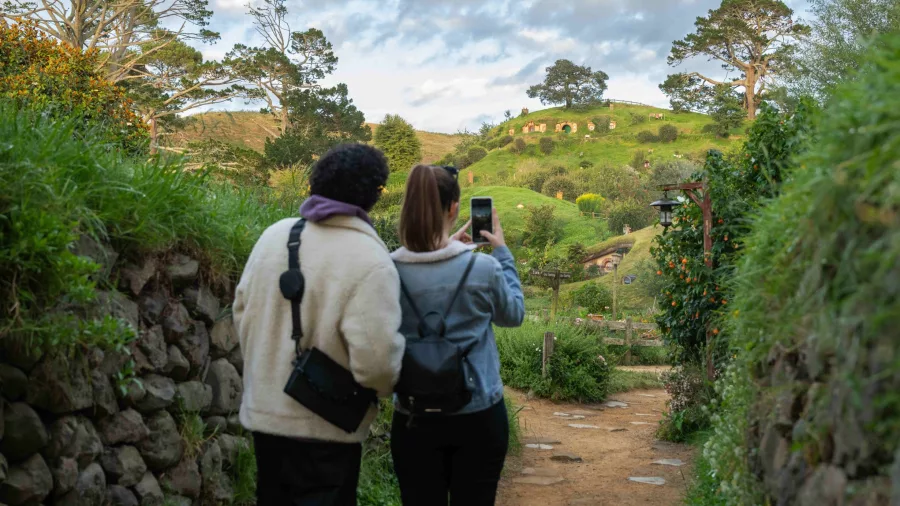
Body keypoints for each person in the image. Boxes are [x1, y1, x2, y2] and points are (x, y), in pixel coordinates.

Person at [233, 143, 405, 505]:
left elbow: (241, 311)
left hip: (266, 418)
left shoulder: (274, 236)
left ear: (315, 184)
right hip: (326, 430)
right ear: (373, 195)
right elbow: (377, 364)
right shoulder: (371, 259)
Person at [389, 164, 525, 506]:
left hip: (412, 416)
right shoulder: (482, 268)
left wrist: (444, 247)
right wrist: (503, 252)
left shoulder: (386, 269)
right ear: (454, 208)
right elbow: (514, 315)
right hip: (478, 412)